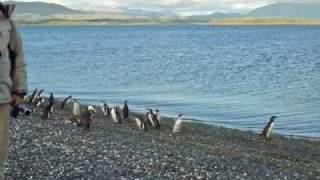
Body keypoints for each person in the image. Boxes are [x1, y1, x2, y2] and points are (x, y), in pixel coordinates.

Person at [0, 3, 27, 179]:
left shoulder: (7, 23)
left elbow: (18, 58)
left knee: (0, 145)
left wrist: (19, 90)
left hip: (1, 95)